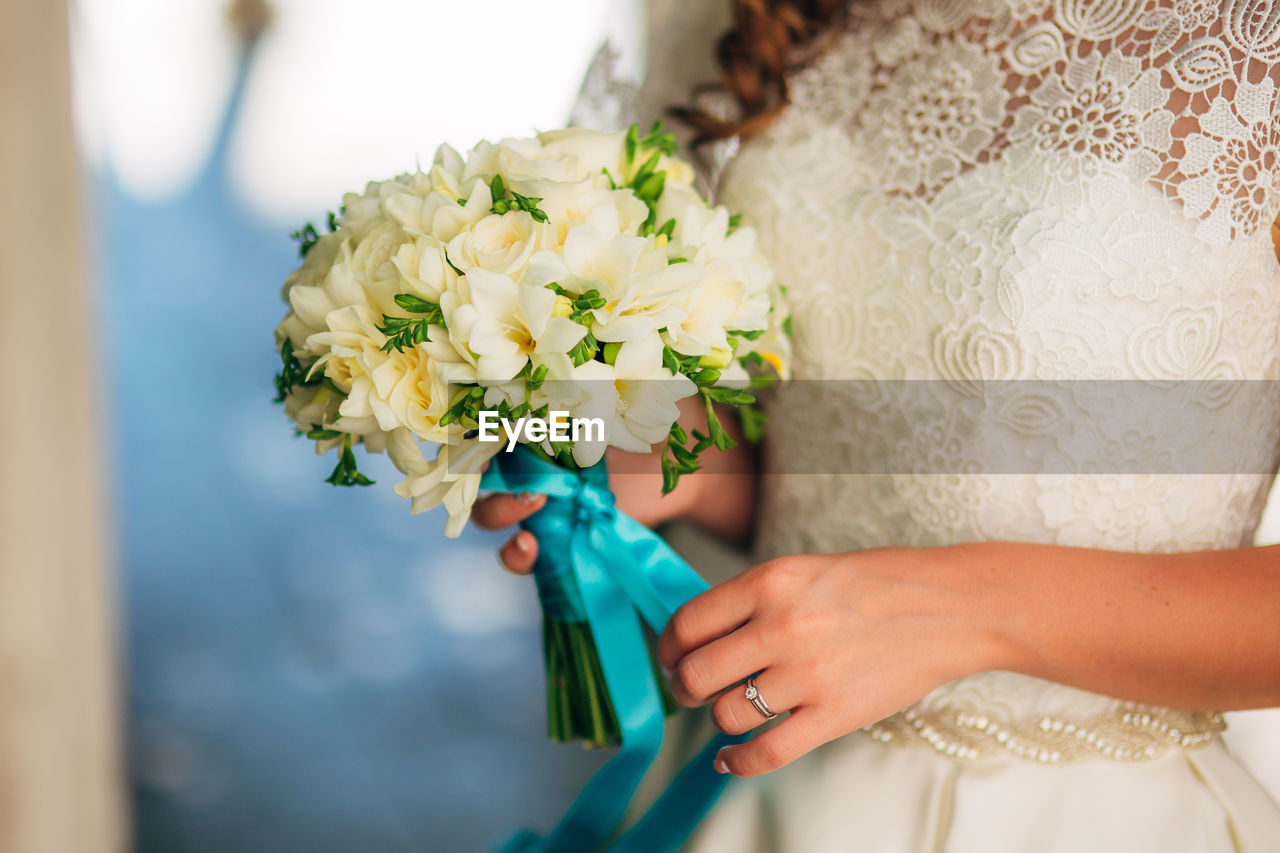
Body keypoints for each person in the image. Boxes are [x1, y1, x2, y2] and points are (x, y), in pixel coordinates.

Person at [474, 1, 1280, 849]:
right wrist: (691, 458)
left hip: (1083, 818)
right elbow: (849, 450)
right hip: (754, 795)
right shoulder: (747, 20)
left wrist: (962, 610)